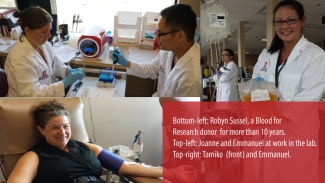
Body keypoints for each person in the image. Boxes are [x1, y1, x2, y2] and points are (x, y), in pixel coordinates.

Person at [7, 100, 197, 183]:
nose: (62, 132)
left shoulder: (87, 147)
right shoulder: (35, 156)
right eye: (55, 127)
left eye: (65, 126)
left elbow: (125, 166)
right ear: (41, 130)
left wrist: (172, 172)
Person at [112, 4, 200, 97]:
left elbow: (183, 111)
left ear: (180, 36)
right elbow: (152, 69)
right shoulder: (168, 50)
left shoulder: (192, 78)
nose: (156, 37)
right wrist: (126, 63)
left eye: (160, 33)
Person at [252, 0, 325, 101]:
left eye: (291, 20)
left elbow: (309, 97)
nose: (284, 26)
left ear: (302, 20)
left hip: (296, 116)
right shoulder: (266, 53)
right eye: (279, 21)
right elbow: (256, 84)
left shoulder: (315, 55)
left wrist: (276, 115)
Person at [4, 6, 84, 97]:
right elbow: (32, 94)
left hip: (47, 99)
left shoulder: (43, 44)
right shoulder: (19, 59)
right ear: (27, 30)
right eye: (43, 32)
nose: (49, 35)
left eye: (49, 30)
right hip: (27, 106)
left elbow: (54, 62)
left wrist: (67, 70)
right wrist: (64, 83)